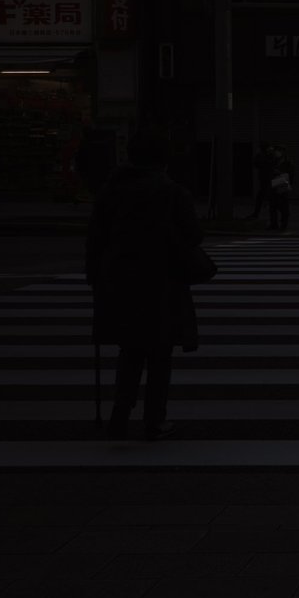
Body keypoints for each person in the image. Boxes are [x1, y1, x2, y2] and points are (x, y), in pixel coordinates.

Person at [85, 125, 201, 441]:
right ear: (164, 159)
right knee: (160, 352)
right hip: (161, 280)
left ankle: (118, 417)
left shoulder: (111, 191)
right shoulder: (172, 193)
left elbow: (95, 238)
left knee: (131, 349)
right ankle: (154, 419)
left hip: (120, 279)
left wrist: (94, 275)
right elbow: (192, 235)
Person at [246, 143, 279, 219]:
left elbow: (256, 164)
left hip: (269, 178)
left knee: (270, 197)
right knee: (268, 197)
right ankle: (274, 217)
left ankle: (275, 217)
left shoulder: (266, 156)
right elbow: (256, 164)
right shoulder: (267, 156)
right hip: (268, 178)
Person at [268, 144, 293, 231]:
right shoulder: (274, 161)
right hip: (274, 183)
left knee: (283, 206)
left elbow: (290, 174)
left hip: (282, 183)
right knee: (273, 206)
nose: (276, 153)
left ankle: (283, 224)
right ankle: (274, 224)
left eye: (277, 151)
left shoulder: (287, 162)